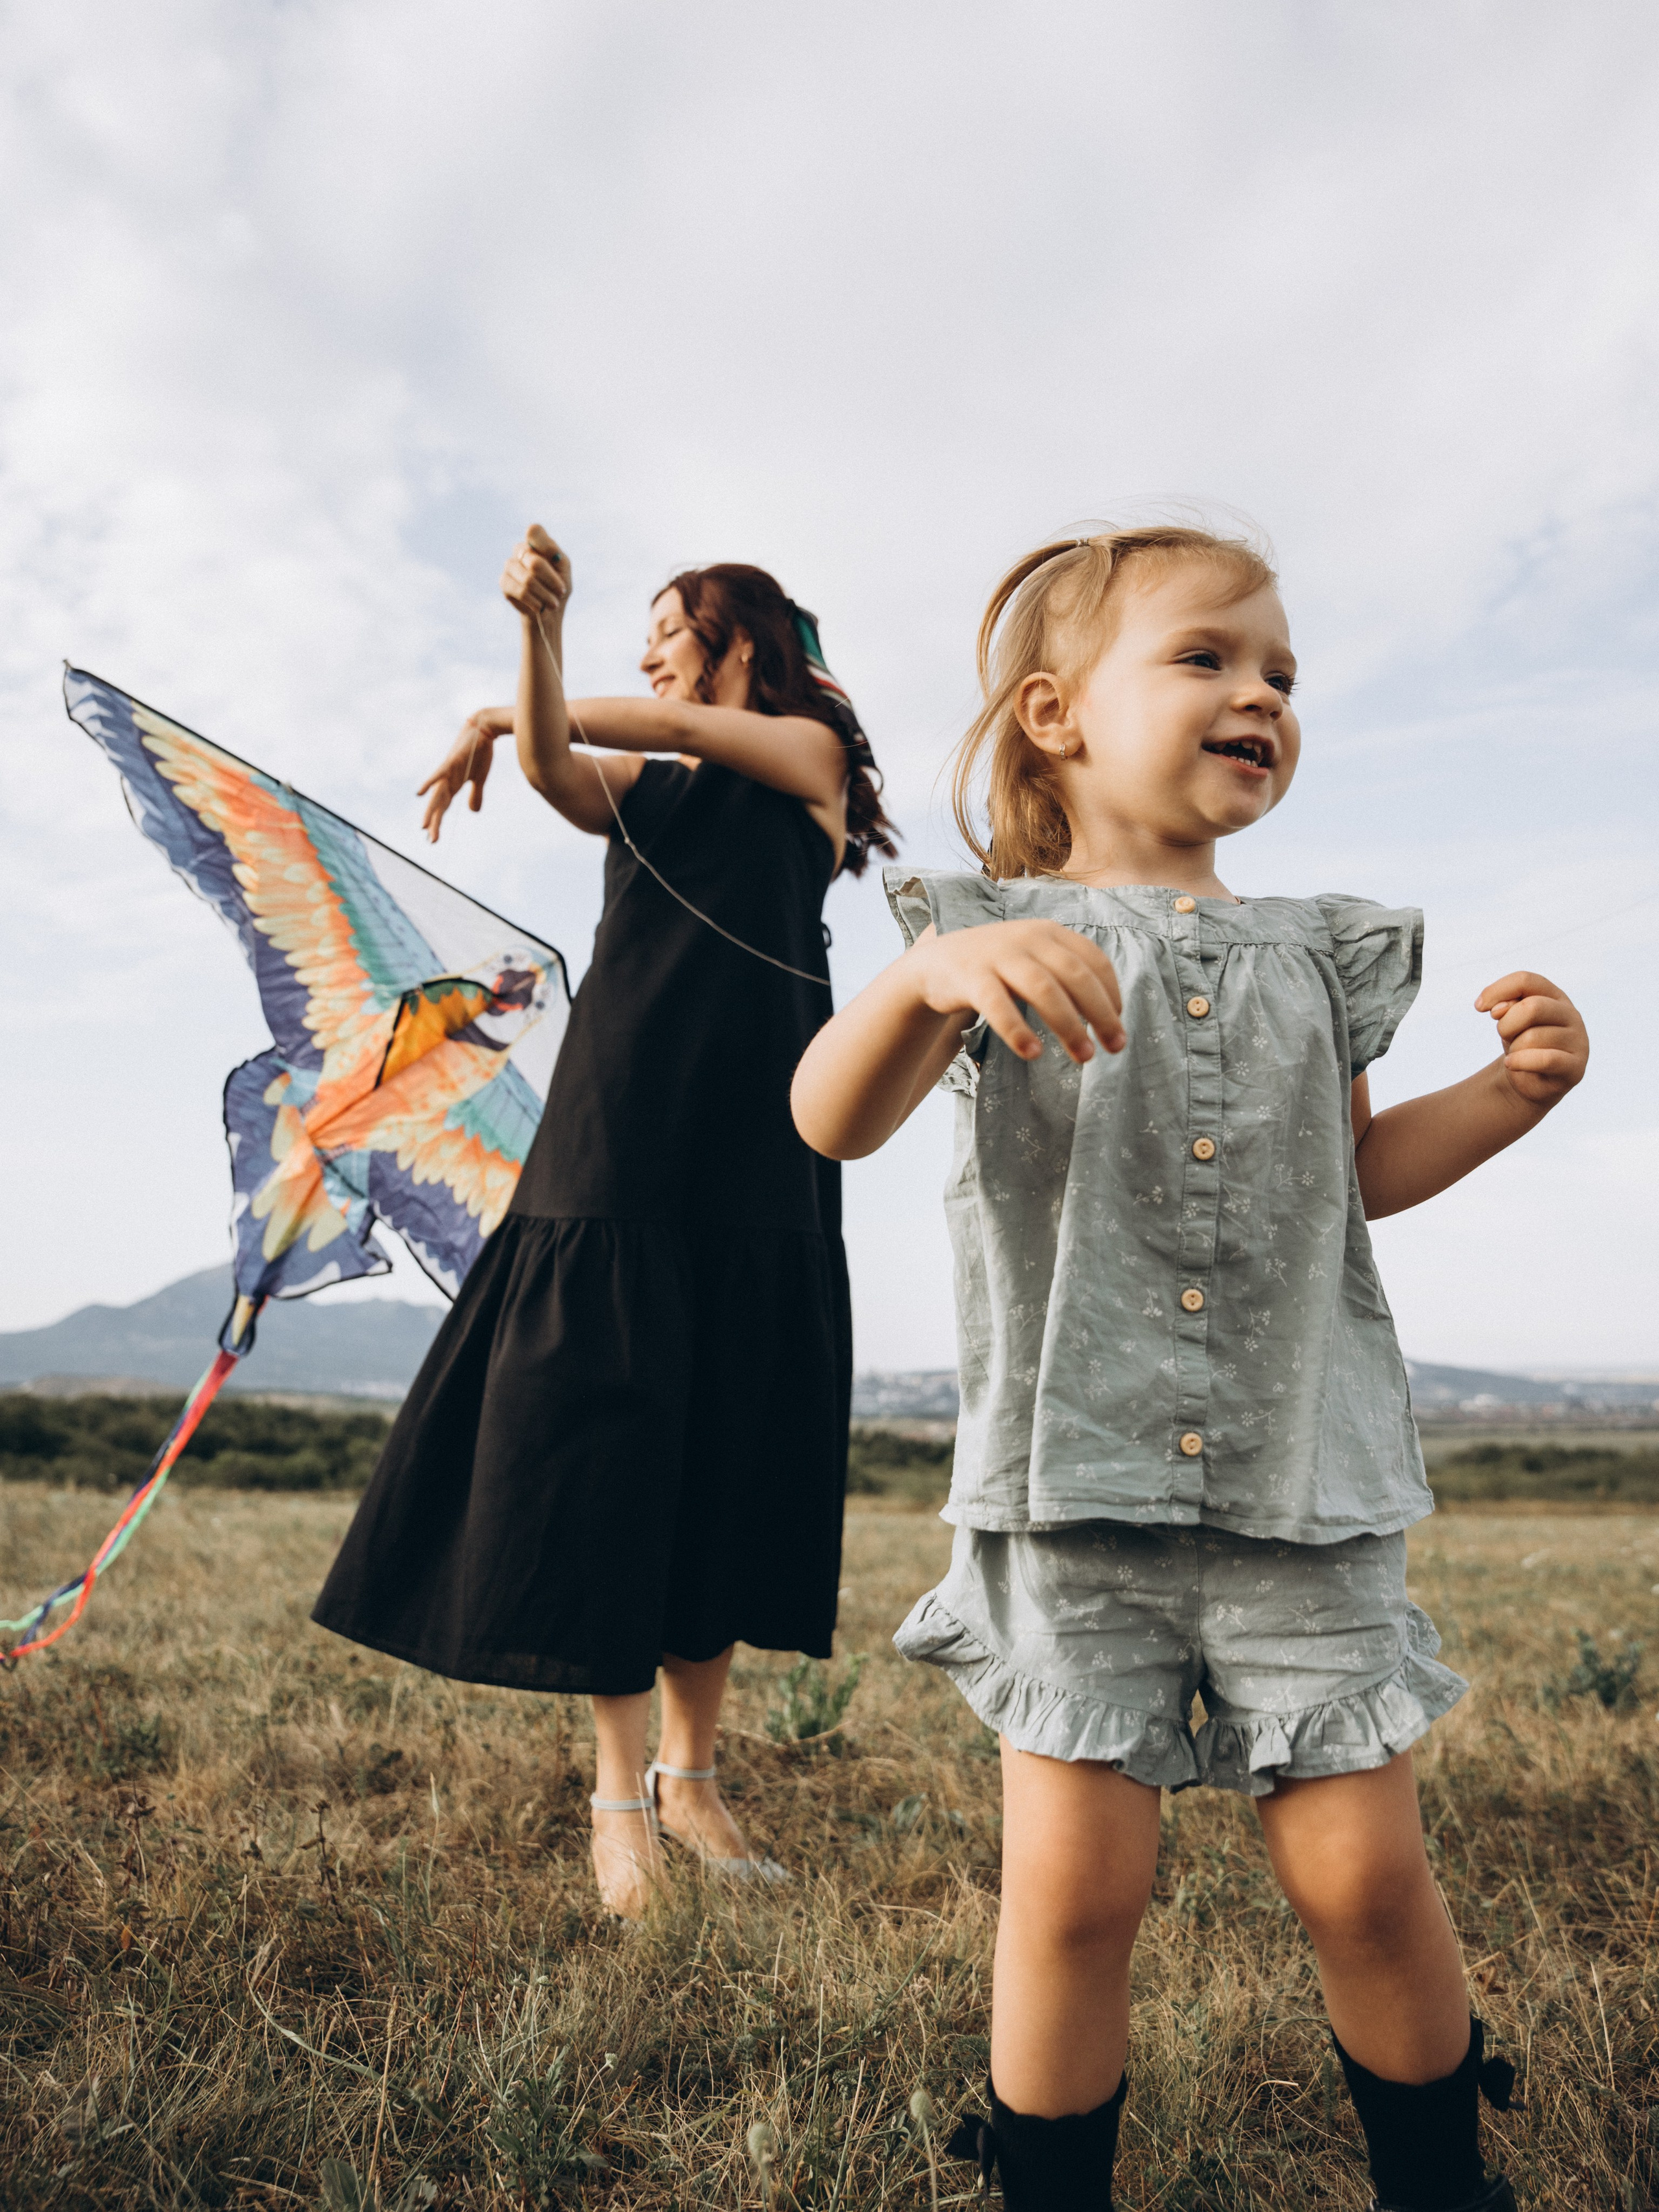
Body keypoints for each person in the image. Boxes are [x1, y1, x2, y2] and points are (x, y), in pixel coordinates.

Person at [791, 524, 1588, 2211]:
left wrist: (1508, 1099)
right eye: (1211, 656)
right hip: (1076, 1491)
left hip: (1304, 1483)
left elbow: (1348, 1175)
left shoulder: (1316, 952)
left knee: (1366, 1873)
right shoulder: (983, 933)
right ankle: (1047, 2184)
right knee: (1075, 1889)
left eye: (1282, 672)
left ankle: (1445, 2176)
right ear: (1059, 713)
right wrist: (926, 977)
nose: (1261, 693)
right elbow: (828, 1115)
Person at [314, 526, 896, 1917]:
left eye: (666, 632)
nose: (649, 657)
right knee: (609, 1447)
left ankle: (695, 1785)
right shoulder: (648, 783)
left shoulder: (806, 767)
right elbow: (556, 767)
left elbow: (622, 725)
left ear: (735, 643)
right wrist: (532, 660)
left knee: (725, 1448)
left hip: (765, 1146)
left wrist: (521, 691)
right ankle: (621, 1802)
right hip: (620, 1135)